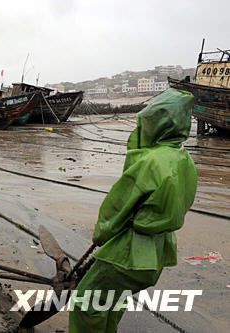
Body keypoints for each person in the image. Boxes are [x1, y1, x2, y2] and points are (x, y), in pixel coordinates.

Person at [68, 88, 198, 332]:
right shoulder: (185, 159)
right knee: (114, 299)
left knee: (86, 302)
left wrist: (101, 235)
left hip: (129, 253)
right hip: (159, 252)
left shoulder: (150, 161)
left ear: (157, 124)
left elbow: (117, 207)